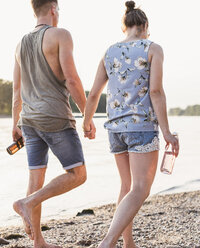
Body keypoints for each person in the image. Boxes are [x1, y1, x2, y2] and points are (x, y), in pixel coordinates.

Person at [83, 1, 180, 247]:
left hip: (114, 128)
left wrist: (87, 120)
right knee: (140, 189)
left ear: (125, 26)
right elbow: (156, 91)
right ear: (145, 26)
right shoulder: (152, 48)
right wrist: (167, 132)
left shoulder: (109, 51)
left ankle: (128, 243)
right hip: (141, 126)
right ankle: (108, 241)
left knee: (127, 185)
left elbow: (94, 94)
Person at [11, 0, 95, 247]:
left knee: (35, 179)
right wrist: (87, 116)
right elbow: (71, 79)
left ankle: (38, 243)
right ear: (53, 9)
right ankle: (26, 203)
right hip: (55, 117)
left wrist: (14, 123)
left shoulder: (19, 44)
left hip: (29, 120)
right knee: (78, 174)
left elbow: (17, 89)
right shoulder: (60, 35)